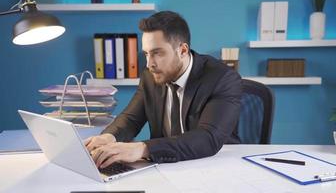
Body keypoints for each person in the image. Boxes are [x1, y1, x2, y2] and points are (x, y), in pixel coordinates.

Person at [85, 11, 242, 169]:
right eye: (146, 54)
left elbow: (208, 138)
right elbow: (131, 119)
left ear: (182, 51)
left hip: (215, 167)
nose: (149, 64)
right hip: (166, 166)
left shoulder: (222, 78)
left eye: (157, 53)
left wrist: (143, 148)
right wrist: (109, 137)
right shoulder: (151, 76)